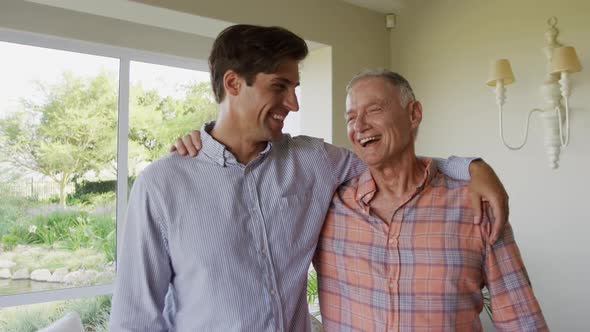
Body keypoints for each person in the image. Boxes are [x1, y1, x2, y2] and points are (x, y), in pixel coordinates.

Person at [110, 24, 508, 331]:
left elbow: (392, 164)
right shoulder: (161, 185)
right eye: (279, 87)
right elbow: (135, 318)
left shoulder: (314, 161)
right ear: (233, 83)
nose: (293, 103)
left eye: (295, 88)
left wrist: (470, 166)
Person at [313, 69, 547, 331]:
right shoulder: (326, 208)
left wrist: (474, 168)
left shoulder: (475, 206)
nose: (359, 126)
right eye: (351, 117)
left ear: (414, 114)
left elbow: (521, 318)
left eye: (374, 110)